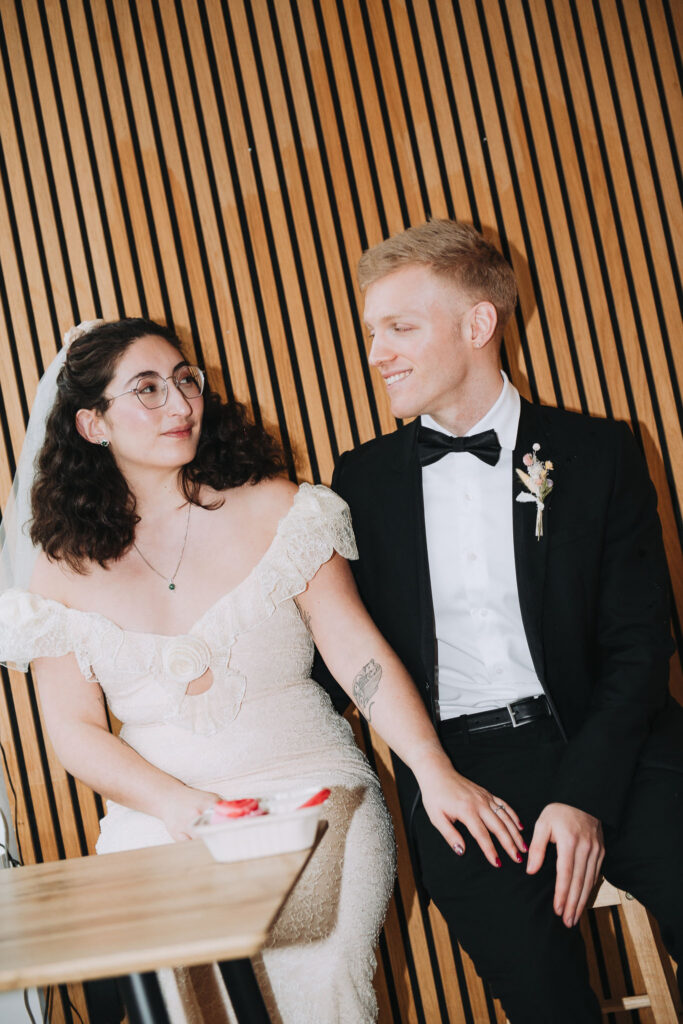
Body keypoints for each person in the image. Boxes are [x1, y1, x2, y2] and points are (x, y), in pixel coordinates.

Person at [0, 317, 527, 1024]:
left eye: (187, 380)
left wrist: (433, 771)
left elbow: (359, 654)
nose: (182, 404)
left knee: (320, 988)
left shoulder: (283, 509)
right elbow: (74, 731)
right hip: (160, 824)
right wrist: (182, 807)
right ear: (93, 425)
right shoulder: (59, 571)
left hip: (314, 803)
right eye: (148, 389)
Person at [316, 220, 683, 1022]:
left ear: (477, 325)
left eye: (399, 329)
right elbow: (340, 657)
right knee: (544, 1002)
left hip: (615, 740)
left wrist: (584, 795)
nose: (375, 353)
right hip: (464, 768)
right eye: (370, 333)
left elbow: (637, 650)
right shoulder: (362, 481)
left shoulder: (600, 453)